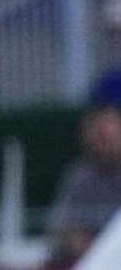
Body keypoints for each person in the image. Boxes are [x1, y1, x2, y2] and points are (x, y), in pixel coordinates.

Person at [48, 104, 121, 266]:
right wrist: (79, 242)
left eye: (107, 134)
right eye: (98, 135)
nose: (103, 140)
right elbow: (58, 225)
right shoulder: (79, 177)